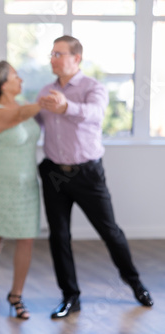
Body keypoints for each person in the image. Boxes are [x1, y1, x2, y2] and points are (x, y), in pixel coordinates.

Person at [36, 35, 154, 319]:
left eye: (58, 53)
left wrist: (66, 107)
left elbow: (96, 114)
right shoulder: (45, 90)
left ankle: (135, 283)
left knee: (110, 232)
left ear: (76, 58)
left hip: (87, 174)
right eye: (51, 53)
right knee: (59, 236)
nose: (53, 58)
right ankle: (70, 297)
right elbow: (36, 120)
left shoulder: (93, 88)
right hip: (54, 173)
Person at [0, 61, 42, 320]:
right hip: (1, 181)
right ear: (4, 84)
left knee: (27, 236)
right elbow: (19, 116)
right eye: (16, 76)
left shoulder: (25, 103)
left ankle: (16, 295)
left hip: (27, 183)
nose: (21, 80)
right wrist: (44, 104)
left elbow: (26, 114)